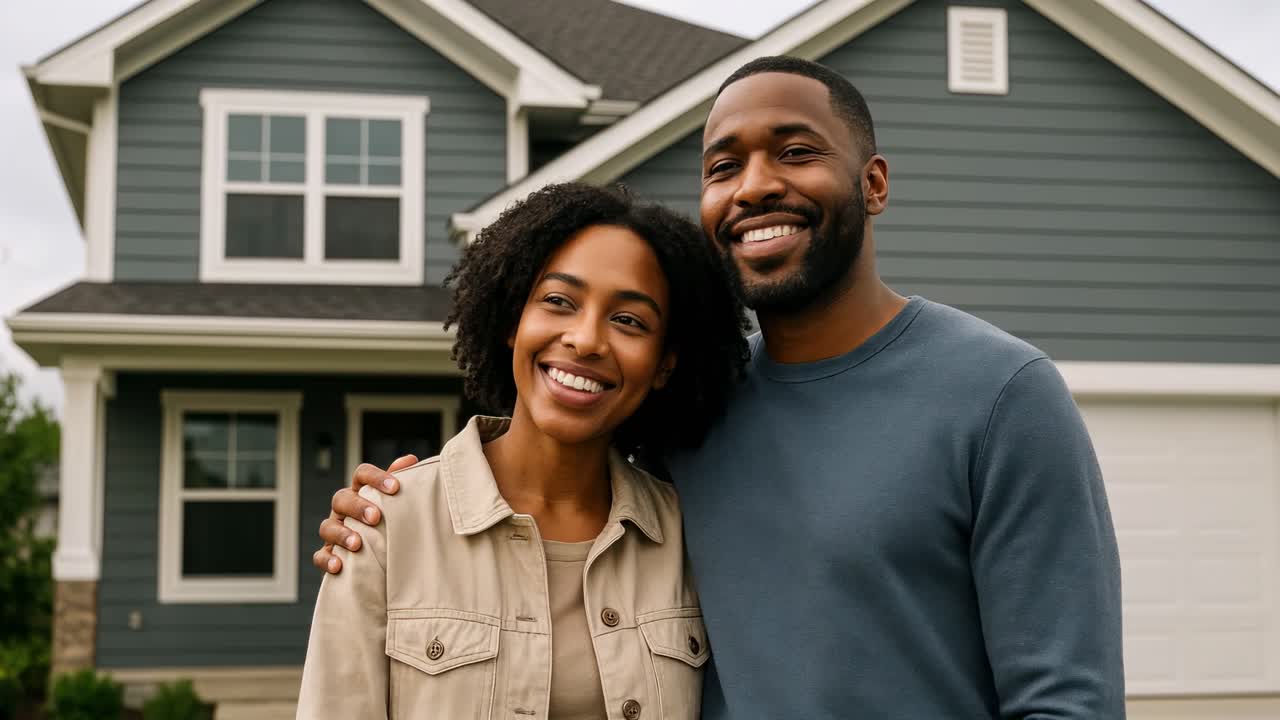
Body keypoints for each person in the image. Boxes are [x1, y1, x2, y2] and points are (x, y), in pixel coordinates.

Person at [316, 57, 1126, 718]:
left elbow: (1066, 701)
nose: (754, 186)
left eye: (796, 151)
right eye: (723, 165)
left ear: (874, 185)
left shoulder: (1001, 395)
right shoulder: (689, 411)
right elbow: (557, 439)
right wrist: (392, 508)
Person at [297, 182, 748, 719]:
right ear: (514, 320)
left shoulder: (685, 538)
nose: (585, 340)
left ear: (665, 365)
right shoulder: (384, 528)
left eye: (628, 320)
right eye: (558, 301)